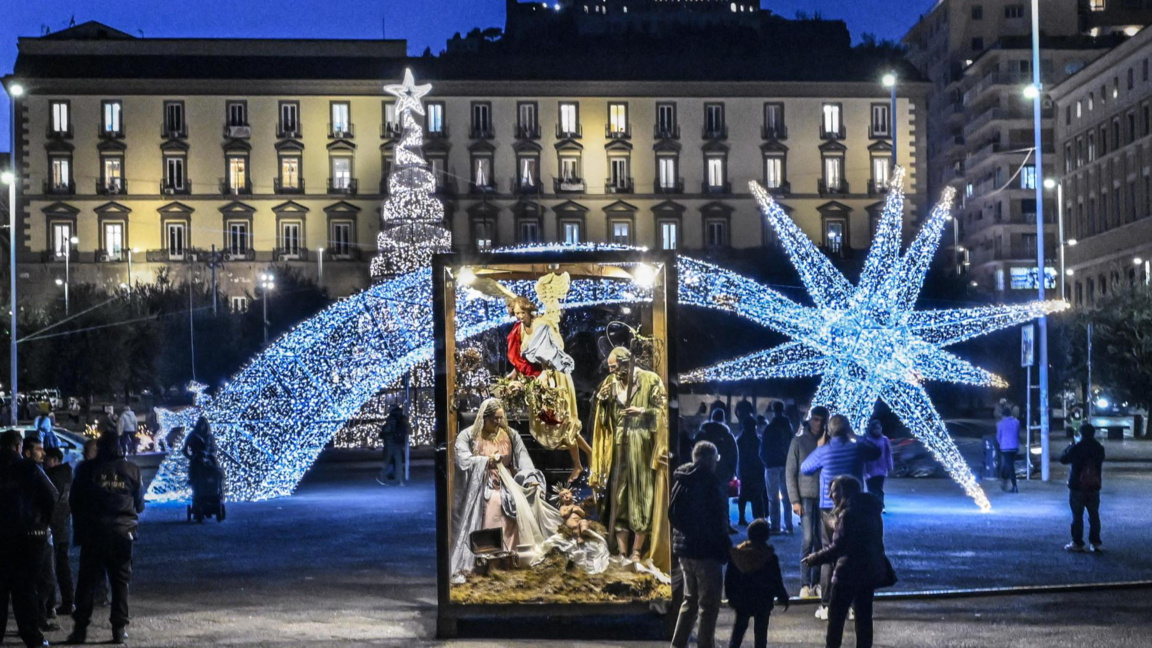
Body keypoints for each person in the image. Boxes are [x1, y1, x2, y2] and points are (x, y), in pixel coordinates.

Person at [448, 398, 554, 580]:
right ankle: (489, 557)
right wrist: (486, 461)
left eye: (500, 418)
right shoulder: (469, 435)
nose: (498, 422)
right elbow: (462, 459)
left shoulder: (511, 435)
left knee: (519, 504)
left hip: (508, 483)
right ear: (484, 417)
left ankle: (512, 557)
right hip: (483, 485)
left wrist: (530, 479)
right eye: (494, 419)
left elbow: (523, 459)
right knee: (494, 503)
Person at [505, 281, 592, 484]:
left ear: (528, 310)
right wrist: (514, 374)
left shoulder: (542, 325)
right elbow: (523, 357)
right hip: (537, 379)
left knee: (563, 422)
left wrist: (546, 372)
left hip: (554, 376)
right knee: (551, 424)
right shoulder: (519, 329)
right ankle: (586, 457)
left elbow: (555, 351)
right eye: (516, 314)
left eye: (522, 313)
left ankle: (581, 461)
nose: (519, 317)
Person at [590, 346, 669, 566]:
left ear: (627, 362)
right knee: (620, 497)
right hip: (619, 444)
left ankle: (637, 550)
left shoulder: (650, 380)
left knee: (641, 494)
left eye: (615, 367)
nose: (612, 372)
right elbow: (604, 420)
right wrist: (603, 401)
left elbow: (663, 413)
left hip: (641, 443)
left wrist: (642, 412)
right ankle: (622, 551)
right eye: (610, 368)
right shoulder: (611, 383)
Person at [66, 431, 145, 645]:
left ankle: (80, 629)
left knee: (87, 582)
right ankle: (119, 629)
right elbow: (139, 504)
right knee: (120, 582)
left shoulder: (86, 469)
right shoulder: (132, 470)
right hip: (122, 532)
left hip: (94, 531)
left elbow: (75, 501)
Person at [801, 415, 881, 620]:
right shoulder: (857, 448)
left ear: (829, 431)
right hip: (854, 508)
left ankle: (827, 605)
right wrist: (857, 436)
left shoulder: (824, 451)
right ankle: (853, 606)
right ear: (848, 430)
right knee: (854, 555)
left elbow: (805, 468)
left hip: (829, 509)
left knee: (829, 556)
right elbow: (876, 452)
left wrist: (820, 446)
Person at [803, 476, 894, 648]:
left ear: (844, 492)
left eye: (834, 491)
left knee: (836, 619)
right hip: (868, 571)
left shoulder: (848, 514)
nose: (830, 495)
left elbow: (838, 547)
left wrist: (814, 558)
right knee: (864, 618)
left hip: (848, 573)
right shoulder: (871, 510)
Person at [670, 441, 732, 648]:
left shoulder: (682, 479)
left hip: (684, 550)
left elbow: (673, 514)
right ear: (710, 460)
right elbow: (717, 521)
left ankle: (678, 644)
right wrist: (725, 548)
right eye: (716, 459)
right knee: (708, 605)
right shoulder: (709, 483)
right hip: (706, 552)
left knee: (690, 601)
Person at [1, 428, 57, 648]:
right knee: (25, 590)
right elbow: (52, 496)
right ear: (18, 447)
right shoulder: (29, 468)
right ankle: (32, 636)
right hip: (27, 538)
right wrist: (41, 522)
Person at [785, 406, 828, 599]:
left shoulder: (828, 442)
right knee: (808, 539)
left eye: (822, 420)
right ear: (810, 420)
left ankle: (816, 581)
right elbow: (790, 472)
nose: (818, 423)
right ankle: (805, 582)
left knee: (820, 541)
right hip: (806, 496)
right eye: (816, 419)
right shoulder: (799, 442)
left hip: (824, 497)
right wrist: (794, 500)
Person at [725, 518, 789, 648]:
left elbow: (729, 579)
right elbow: (776, 580)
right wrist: (783, 596)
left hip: (742, 600)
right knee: (761, 634)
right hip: (763, 600)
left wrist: (731, 597)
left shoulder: (737, 555)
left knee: (738, 630)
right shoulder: (769, 557)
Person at [22, 437, 58, 632]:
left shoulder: (14, 471)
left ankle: (33, 619)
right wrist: (47, 519)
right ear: (27, 452)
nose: (43, 453)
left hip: (23, 530)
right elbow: (53, 495)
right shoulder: (35, 471)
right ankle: (36, 620)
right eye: (39, 450)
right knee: (44, 578)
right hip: (38, 530)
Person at [1060, 423, 1105, 553]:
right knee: (1094, 515)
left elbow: (1063, 459)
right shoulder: (1099, 448)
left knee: (1077, 515)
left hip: (1077, 486)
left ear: (1081, 434)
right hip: (1093, 485)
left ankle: (1077, 542)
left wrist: (1070, 446)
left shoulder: (1077, 447)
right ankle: (1095, 542)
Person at [695, 408, 738, 531]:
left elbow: (695, 449)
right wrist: (732, 471)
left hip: (704, 470)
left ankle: (706, 524)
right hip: (722, 471)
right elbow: (734, 453)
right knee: (723, 498)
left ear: (711, 417)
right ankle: (725, 524)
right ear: (723, 418)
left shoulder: (703, 432)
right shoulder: (727, 434)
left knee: (705, 497)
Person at [44, 447, 74, 616]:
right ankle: (68, 601)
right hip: (64, 526)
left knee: (49, 568)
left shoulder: (52, 477)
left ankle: (50, 605)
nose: (44, 461)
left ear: (54, 460)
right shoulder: (67, 475)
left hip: (52, 527)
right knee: (63, 565)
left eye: (47, 458)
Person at [760, 402, 793, 535]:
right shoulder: (788, 428)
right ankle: (788, 524)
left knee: (773, 497)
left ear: (773, 410)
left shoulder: (769, 428)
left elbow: (763, 449)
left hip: (772, 465)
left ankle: (775, 525)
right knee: (786, 497)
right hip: (786, 464)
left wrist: (766, 462)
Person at [734, 409, 765, 526]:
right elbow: (761, 455)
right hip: (756, 470)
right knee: (757, 495)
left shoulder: (739, 440)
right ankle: (758, 517)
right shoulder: (757, 440)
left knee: (743, 495)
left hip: (743, 470)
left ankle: (742, 517)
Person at [861, 420, 893, 512]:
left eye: (879, 428)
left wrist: (890, 466)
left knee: (878, 488)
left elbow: (888, 453)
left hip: (881, 468)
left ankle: (880, 505)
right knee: (871, 488)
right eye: (876, 428)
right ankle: (873, 505)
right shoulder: (867, 440)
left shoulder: (884, 439)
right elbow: (863, 454)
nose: (878, 430)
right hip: (869, 468)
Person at [376, 404, 410, 486]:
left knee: (388, 461)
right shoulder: (402, 419)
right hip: (398, 443)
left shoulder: (391, 419)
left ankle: (382, 477)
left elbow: (386, 432)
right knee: (399, 462)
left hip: (390, 443)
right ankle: (399, 480)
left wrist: (383, 435)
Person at [996, 408, 1021, 493]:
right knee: (1009, 465)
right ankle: (1005, 482)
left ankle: (1014, 486)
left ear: (1003, 415)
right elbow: (1017, 434)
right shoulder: (1016, 422)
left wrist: (1001, 443)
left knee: (1009, 466)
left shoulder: (1000, 424)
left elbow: (998, 437)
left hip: (1005, 448)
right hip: (1014, 447)